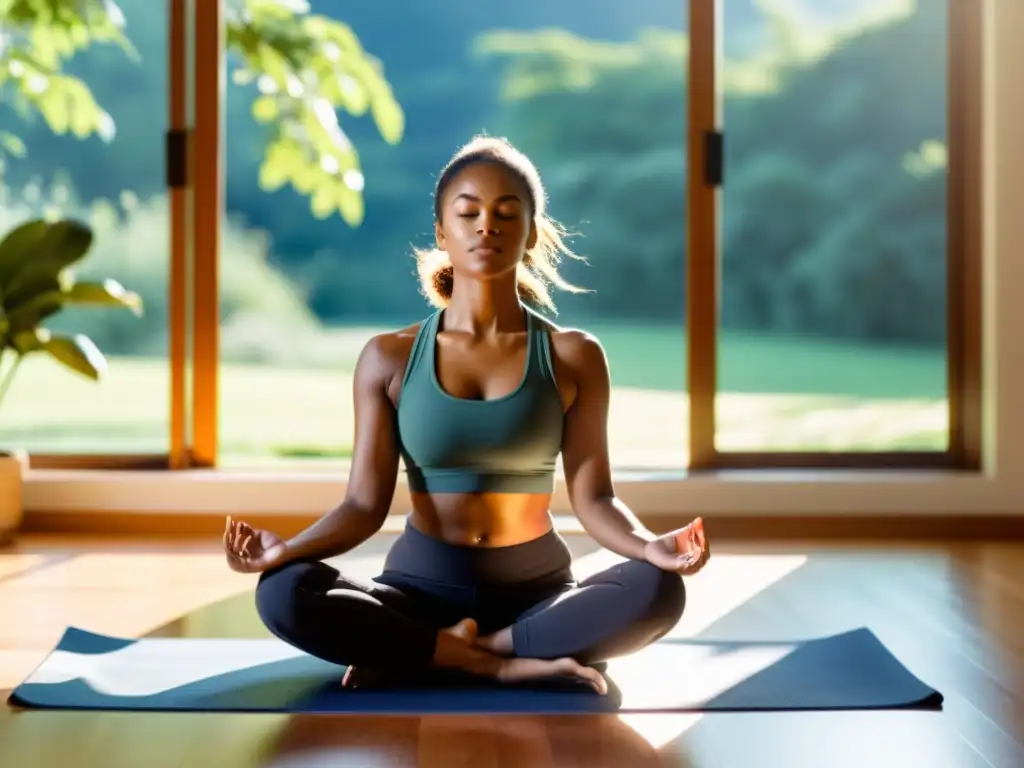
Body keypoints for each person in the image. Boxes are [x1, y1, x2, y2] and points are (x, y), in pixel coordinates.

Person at [222, 135, 711, 695]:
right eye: (468, 212)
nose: (486, 226)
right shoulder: (389, 357)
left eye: (507, 213)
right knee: (282, 591)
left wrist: (648, 546)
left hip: (537, 596)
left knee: (659, 590)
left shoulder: (575, 356)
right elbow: (362, 504)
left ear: (530, 233)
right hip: (417, 593)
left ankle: (444, 652)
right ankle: (494, 662)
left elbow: (595, 497)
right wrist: (288, 550)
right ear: (441, 232)